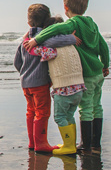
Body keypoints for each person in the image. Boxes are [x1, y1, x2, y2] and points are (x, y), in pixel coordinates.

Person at [24, 0, 110, 154]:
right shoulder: (92, 23)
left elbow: (55, 29)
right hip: (99, 73)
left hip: (87, 75)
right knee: (97, 106)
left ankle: (86, 145)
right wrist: (105, 64)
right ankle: (96, 145)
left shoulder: (73, 22)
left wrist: (36, 40)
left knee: (86, 109)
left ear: (66, 8)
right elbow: (103, 46)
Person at [14, 4, 78, 153]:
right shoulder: (45, 37)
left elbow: (17, 62)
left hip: (25, 82)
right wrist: (72, 38)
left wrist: (24, 73)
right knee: (42, 112)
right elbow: (57, 43)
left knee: (31, 111)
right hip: (40, 82)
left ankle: (32, 142)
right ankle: (41, 143)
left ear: (29, 22)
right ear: (48, 20)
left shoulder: (24, 40)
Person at [32, 21, 86, 156]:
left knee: (60, 116)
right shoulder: (72, 45)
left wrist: (31, 41)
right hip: (79, 87)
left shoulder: (51, 49)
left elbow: (35, 49)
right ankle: (71, 144)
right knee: (69, 115)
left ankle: (68, 146)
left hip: (64, 88)